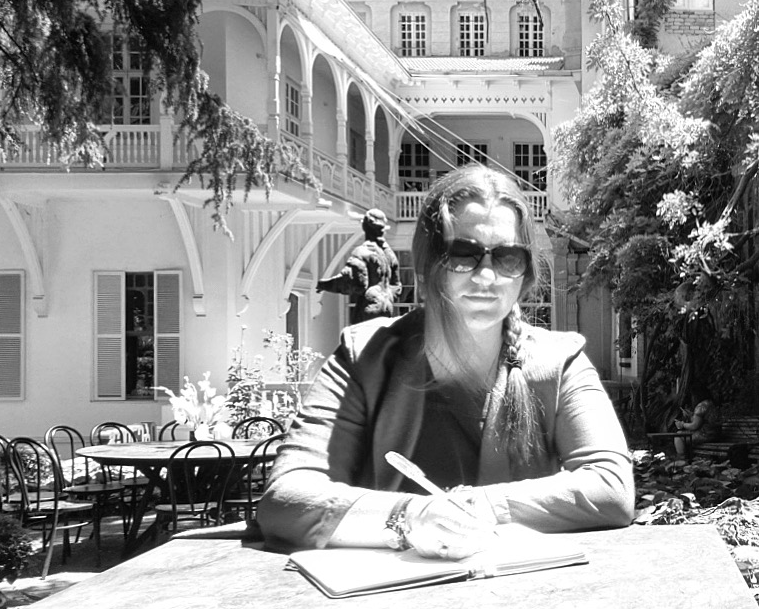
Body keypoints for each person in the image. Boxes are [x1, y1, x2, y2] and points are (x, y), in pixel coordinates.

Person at [257, 165, 634, 559]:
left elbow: (610, 486)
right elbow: (287, 497)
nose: (486, 276)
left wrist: (474, 508)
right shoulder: (363, 358)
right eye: (463, 255)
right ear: (427, 266)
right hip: (387, 591)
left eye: (507, 258)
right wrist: (411, 517)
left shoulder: (560, 363)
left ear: (524, 275)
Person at [316, 208, 402, 324]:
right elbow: (397, 287)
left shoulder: (362, 251)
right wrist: (387, 296)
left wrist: (324, 285)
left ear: (364, 227)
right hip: (387, 306)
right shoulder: (389, 255)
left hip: (369, 306)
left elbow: (355, 283)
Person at [674, 390, 721, 459]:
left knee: (678, 436)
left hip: (706, 435)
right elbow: (701, 421)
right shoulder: (711, 403)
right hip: (715, 433)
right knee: (681, 434)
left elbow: (694, 426)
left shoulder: (701, 406)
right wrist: (690, 416)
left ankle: (682, 458)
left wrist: (682, 424)